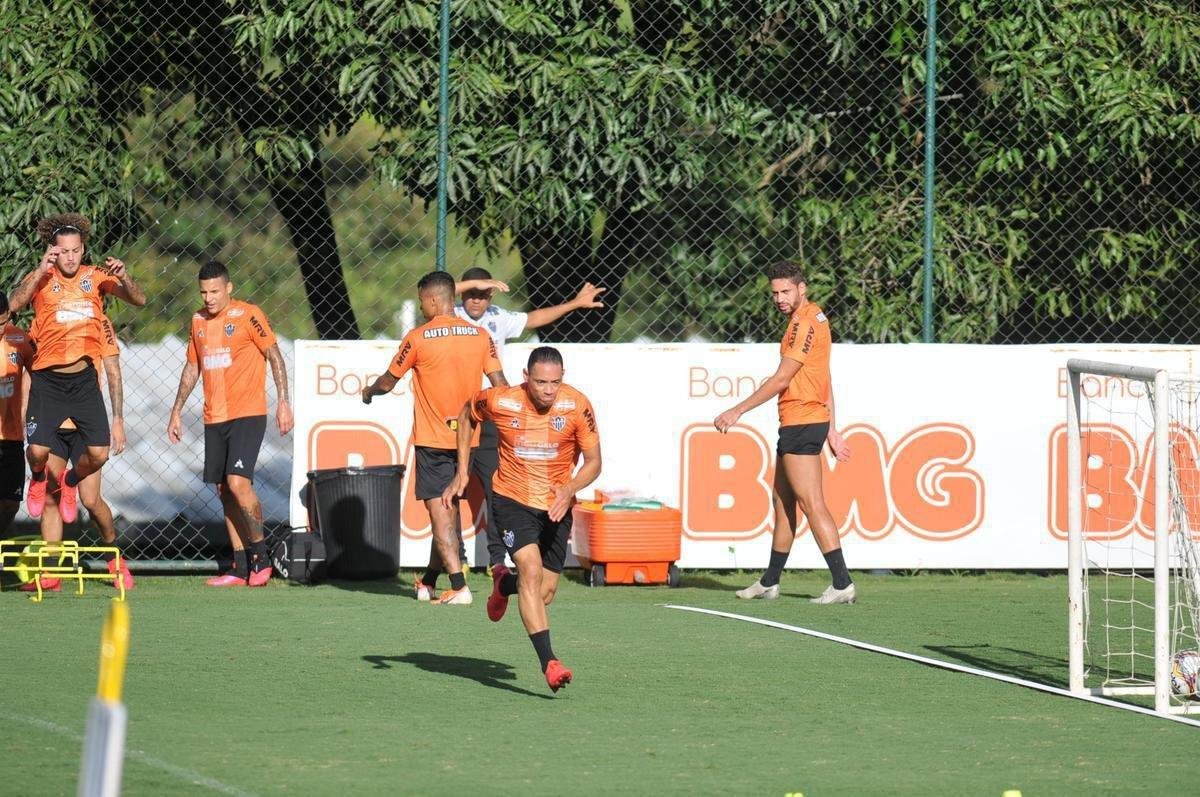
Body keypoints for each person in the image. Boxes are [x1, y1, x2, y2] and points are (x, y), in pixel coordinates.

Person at [442, 346, 602, 692]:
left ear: (563, 378)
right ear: (526, 377)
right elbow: (467, 414)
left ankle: (503, 585)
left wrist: (570, 488)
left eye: (555, 383)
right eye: (541, 382)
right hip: (511, 500)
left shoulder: (577, 405)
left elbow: (594, 462)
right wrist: (463, 470)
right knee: (530, 569)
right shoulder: (501, 400)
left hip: (556, 503)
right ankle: (550, 663)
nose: (548, 390)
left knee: (543, 592)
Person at [713, 260, 856, 605]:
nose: (779, 298)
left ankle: (842, 583)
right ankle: (770, 581)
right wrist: (832, 429)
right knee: (783, 501)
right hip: (804, 420)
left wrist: (737, 410)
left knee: (811, 502)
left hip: (802, 421)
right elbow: (823, 377)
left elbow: (781, 379)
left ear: (802, 288)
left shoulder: (804, 324)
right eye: (775, 293)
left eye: (786, 291)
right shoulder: (813, 317)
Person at [362, 271, 506, 605]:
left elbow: (388, 381)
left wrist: (369, 391)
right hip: (469, 441)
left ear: (432, 299)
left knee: (440, 514)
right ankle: (428, 581)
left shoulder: (418, 337)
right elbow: (500, 385)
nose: (421, 307)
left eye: (421, 301)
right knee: (447, 512)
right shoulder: (480, 335)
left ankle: (458, 586)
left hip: (434, 441)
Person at [453, 267, 605, 577]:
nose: (476, 300)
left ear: (491, 296)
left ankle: (497, 562)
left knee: (496, 487)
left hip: (492, 413)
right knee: (452, 488)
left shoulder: (497, 317)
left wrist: (575, 303)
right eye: (471, 293)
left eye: (483, 294)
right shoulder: (450, 314)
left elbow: (534, 318)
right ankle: (455, 560)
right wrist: (477, 283)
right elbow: (434, 291)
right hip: (454, 413)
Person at [10, 213, 146, 526]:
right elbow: (14, 304)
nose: (70, 257)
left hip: (84, 382)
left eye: (75, 250)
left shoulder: (96, 277)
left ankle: (70, 482)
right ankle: (38, 477)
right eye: (63, 252)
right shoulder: (43, 278)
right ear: (53, 251)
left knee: (99, 454)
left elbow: (139, 299)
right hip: (47, 380)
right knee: (37, 452)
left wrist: (124, 276)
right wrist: (39, 269)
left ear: (82, 249)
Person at [167, 260, 293, 587]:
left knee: (238, 483)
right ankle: (239, 565)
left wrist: (283, 401)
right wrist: (177, 410)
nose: (209, 298)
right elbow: (192, 367)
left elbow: (275, 355)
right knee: (224, 490)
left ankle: (261, 557)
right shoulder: (197, 321)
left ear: (228, 288)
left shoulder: (248, 314)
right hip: (215, 416)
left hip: (247, 414)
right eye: (204, 292)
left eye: (215, 291)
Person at [31, 313, 136, 593]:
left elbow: (113, 369)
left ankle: (115, 561)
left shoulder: (99, 321)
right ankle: (50, 571)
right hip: (54, 424)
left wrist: (118, 419)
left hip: (83, 426)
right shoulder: (48, 315)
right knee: (50, 499)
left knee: (91, 500)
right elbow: (34, 369)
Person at [0, 291, 33, 535]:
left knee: (10, 504)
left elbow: (38, 368)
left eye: (3, 322)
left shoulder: (18, 338)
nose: (0, 329)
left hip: (11, 435)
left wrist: (25, 409)